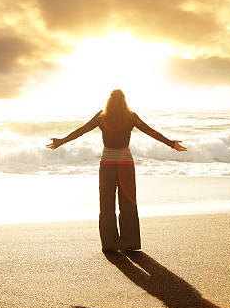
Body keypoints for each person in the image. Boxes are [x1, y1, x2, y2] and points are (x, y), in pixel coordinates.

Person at [46, 89, 186, 253]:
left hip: (107, 165)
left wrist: (61, 141)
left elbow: (82, 130)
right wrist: (171, 143)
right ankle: (130, 242)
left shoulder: (102, 116)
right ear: (124, 101)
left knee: (106, 204)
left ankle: (110, 244)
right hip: (126, 165)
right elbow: (150, 132)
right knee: (128, 203)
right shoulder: (131, 116)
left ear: (109, 101)